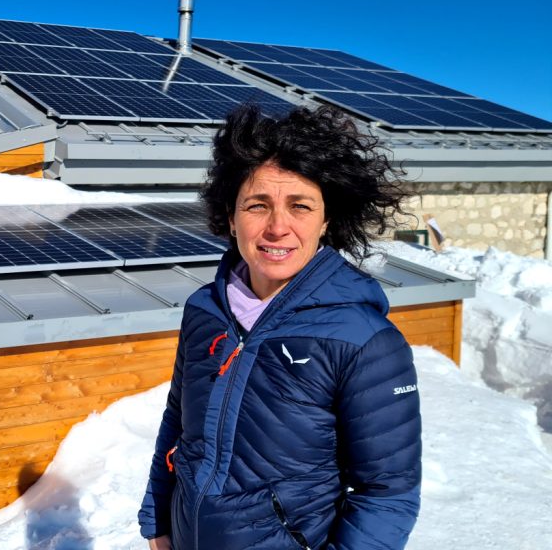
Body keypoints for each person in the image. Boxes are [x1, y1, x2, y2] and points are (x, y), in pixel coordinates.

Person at [138, 104, 422, 550]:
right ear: (231, 218)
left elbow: (387, 494)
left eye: (300, 206)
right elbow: (177, 424)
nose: (277, 227)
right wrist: (157, 520)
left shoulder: (364, 340)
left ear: (326, 221)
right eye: (257, 205)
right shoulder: (204, 310)